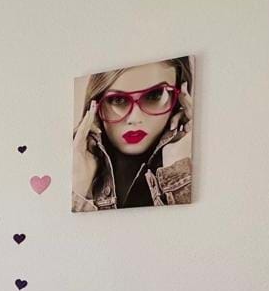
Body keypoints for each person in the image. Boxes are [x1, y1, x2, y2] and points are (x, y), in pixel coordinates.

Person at [72, 58, 193, 210]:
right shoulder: (72, 169)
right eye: (117, 99)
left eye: (154, 95)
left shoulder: (201, 168)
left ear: (180, 99)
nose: (135, 118)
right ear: (95, 106)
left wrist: (180, 171)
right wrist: (78, 189)